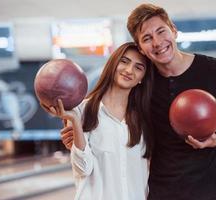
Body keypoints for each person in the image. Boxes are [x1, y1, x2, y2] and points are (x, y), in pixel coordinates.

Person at [125, 3, 216, 200]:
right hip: (164, 194)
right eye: (147, 38)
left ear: (173, 30)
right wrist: (78, 126)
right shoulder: (143, 84)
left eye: (161, 31)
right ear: (141, 48)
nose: (157, 42)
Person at [45, 42, 154, 200]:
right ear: (113, 64)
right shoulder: (81, 111)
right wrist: (75, 122)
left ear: (142, 79)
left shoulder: (145, 117)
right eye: (124, 61)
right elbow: (83, 169)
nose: (129, 70)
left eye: (139, 67)